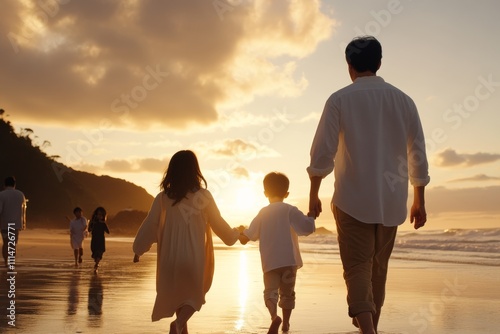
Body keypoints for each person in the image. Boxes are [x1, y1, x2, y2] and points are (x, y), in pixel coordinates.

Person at [307, 36, 430, 334]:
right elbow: (418, 152)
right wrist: (419, 198)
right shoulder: (404, 100)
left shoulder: (339, 99)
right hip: (391, 201)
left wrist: (313, 193)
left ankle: (368, 330)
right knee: (378, 270)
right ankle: (369, 327)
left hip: (351, 199)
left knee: (358, 267)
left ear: (349, 66)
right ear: (379, 63)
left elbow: (323, 151)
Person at [133, 150, 240, 334]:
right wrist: (235, 234)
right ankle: (179, 323)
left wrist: (139, 249)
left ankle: (181, 327)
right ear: (195, 171)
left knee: (179, 297)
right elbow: (219, 225)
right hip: (193, 258)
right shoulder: (204, 196)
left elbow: (150, 226)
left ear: (172, 171)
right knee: (195, 297)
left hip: (170, 260)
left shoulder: (162, 198)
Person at [239, 172, 315, 334]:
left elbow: (250, 234)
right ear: (286, 194)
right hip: (289, 261)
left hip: (270, 262)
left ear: (265, 193)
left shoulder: (263, 212)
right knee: (287, 294)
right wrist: (311, 217)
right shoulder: (290, 210)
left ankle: (274, 316)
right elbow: (307, 228)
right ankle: (286, 323)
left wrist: (241, 234)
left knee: (270, 292)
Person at [0, 176, 27, 267]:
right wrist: (23, 224)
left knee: (5, 243)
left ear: (5, 184)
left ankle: (6, 262)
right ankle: (11, 262)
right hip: (16, 224)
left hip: (4, 223)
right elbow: (23, 210)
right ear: (14, 184)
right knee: (13, 244)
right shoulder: (20, 194)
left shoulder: (2, 194)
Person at [88, 207, 109, 272]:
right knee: (95, 253)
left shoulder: (103, 223)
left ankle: (97, 264)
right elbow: (89, 230)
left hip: (101, 241)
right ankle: (96, 262)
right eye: (99, 214)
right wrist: (91, 224)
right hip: (94, 240)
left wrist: (103, 224)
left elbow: (108, 231)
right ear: (96, 215)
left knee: (99, 253)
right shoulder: (93, 222)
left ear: (103, 216)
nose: (100, 216)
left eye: (101, 215)